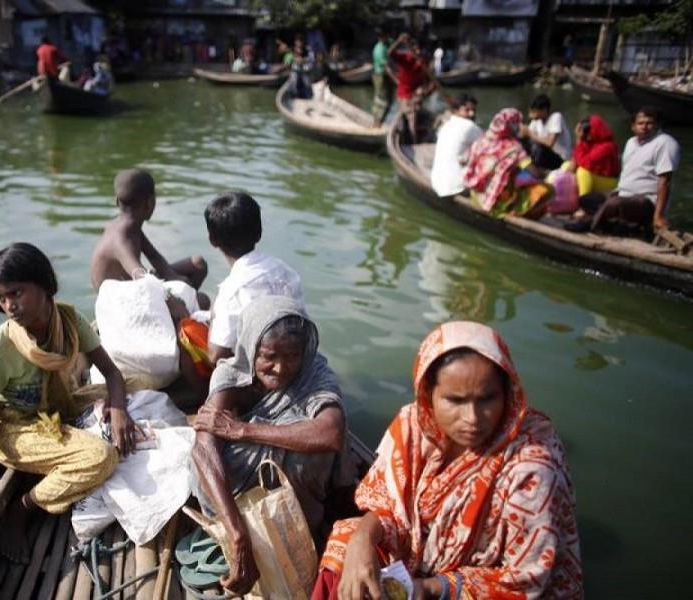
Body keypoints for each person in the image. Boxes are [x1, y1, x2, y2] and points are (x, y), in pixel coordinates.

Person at [311, 321, 583, 600]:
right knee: (347, 541)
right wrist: (362, 540)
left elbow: (528, 576)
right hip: (419, 562)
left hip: (480, 587)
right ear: (429, 394)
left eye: (487, 399)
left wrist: (436, 587)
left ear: (507, 392)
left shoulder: (533, 463)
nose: (473, 419)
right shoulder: (413, 427)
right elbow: (388, 507)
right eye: (455, 400)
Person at [0, 243, 133, 563]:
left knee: (139, 386)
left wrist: (118, 411)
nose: (9, 305)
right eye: (2, 298)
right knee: (101, 457)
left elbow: (112, 374)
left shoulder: (67, 319)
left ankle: (77, 442)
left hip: (53, 407)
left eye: (16, 293)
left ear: (44, 285)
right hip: (15, 428)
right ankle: (22, 509)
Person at [192, 296, 353, 596]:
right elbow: (203, 448)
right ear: (251, 347)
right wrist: (237, 533)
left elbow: (331, 432)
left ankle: (302, 531)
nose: (281, 368)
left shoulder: (314, 372)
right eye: (269, 356)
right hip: (239, 499)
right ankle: (241, 526)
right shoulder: (229, 375)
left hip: (293, 494)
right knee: (205, 463)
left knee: (309, 454)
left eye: (292, 355)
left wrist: (243, 430)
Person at [203, 191, 306, 367]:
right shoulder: (286, 271)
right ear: (259, 233)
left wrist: (213, 317)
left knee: (187, 334)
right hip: (294, 358)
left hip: (261, 372)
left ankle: (204, 393)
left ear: (213, 240)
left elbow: (216, 356)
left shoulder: (232, 289)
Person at [89, 168, 208, 293]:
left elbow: (154, 256)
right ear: (150, 203)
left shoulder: (130, 228)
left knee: (198, 264)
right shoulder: (121, 241)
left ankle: (186, 305)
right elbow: (144, 281)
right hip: (121, 300)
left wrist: (172, 276)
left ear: (117, 201)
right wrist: (174, 298)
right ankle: (183, 309)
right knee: (203, 301)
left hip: (137, 285)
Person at [571, 106, 680, 234]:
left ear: (657, 125)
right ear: (633, 126)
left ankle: (589, 224)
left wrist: (658, 216)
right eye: (640, 123)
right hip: (623, 194)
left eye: (649, 123)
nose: (644, 127)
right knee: (586, 199)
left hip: (647, 201)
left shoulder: (664, 143)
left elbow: (665, 181)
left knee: (613, 204)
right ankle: (618, 226)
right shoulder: (631, 143)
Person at [463, 108, 553, 219]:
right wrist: (546, 174)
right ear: (512, 127)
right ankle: (514, 211)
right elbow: (534, 174)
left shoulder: (481, 141)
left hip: (476, 195)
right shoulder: (514, 147)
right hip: (497, 202)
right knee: (547, 189)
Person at [430, 93, 483, 197]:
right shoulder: (469, 126)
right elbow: (489, 144)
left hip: (436, 182)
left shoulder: (446, 125)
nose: (472, 114)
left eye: (473, 110)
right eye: (467, 110)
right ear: (456, 110)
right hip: (456, 186)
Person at [388, 32, 436, 142]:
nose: (418, 52)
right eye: (416, 49)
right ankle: (414, 141)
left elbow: (430, 83)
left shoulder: (425, 63)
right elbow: (390, 53)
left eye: (419, 49)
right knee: (412, 117)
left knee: (421, 112)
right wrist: (398, 42)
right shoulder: (406, 58)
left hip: (417, 95)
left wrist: (425, 91)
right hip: (404, 94)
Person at [564, 114, 620, 197]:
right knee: (565, 165)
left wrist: (579, 139)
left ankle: (584, 201)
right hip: (596, 176)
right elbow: (578, 155)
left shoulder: (608, 146)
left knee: (583, 172)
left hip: (609, 181)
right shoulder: (591, 142)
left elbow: (586, 162)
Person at [519, 94, 572, 171]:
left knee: (538, 148)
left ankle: (537, 171)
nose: (531, 115)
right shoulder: (536, 121)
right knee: (522, 143)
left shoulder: (556, 117)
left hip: (560, 159)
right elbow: (526, 136)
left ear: (544, 110)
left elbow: (549, 143)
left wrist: (530, 133)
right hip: (547, 155)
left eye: (534, 112)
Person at [371, 28, 394, 128]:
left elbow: (394, 44)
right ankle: (377, 123)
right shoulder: (379, 49)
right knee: (382, 99)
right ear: (380, 37)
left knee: (389, 99)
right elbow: (386, 67)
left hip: (385, 75)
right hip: (380, 76)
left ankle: (379, 121)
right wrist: (396, 79)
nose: (386, 38)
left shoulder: (386, 44)